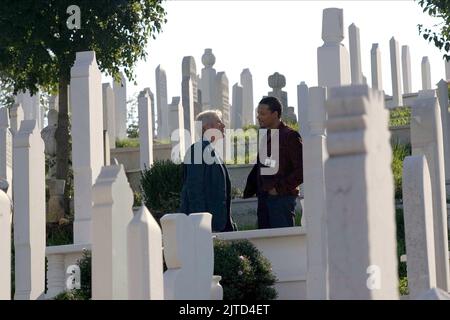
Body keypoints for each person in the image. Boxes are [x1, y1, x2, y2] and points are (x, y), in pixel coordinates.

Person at [243, 96, 303, 228]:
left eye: (263, 114)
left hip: (281, 200)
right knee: (265, 245)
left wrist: (278, 189)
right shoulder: (266, 135)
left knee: (283, 243)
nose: (259, 117)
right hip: (264, 200)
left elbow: (302, 170)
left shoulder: (290, 136)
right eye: (258, 113)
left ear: (275, 114)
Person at [180, 110, 236, 232]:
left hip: (219, 224)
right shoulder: (198, 150)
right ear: (207, 127)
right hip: (206, 226)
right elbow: (194, 189)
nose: (223, 126)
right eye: (219, 123)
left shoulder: (212, 152)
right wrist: (202, 224)